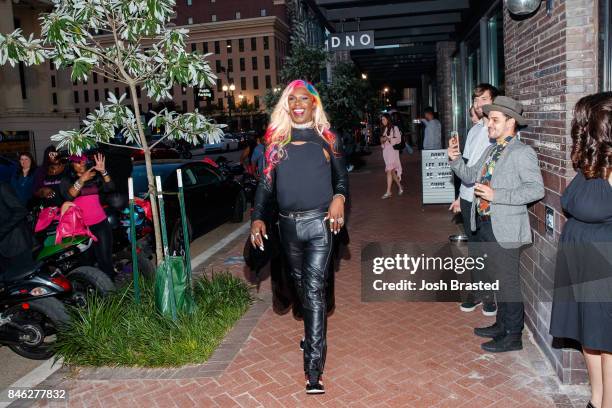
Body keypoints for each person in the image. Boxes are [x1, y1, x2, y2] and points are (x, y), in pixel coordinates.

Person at [250, 79, 348, 394]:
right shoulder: (275, 142)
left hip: (320, 226)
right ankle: (311, 330)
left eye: (304, 98)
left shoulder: (328, 139)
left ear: (314, 103)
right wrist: (257, 220)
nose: (298, 104)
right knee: (301, 288)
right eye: (292, 100)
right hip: (287, 228)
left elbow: (341, 179)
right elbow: (265, 187)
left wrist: (340, 198)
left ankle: (313, 369)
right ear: (287, 106)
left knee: (314, 292)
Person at [448, 96, 544, 352]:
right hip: (485, 223)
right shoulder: (492, 149)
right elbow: (470, 176)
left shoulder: (522, 152)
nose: (488, 123)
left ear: (510, 122)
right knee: (498, 281)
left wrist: (496, 196)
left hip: (506, 228)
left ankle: (513, 335)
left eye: (494, 120)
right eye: (489, 119)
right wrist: (455, 159)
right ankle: (501, 325)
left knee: (508, 283)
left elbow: (536, 190)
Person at [550, 93, 612, 408]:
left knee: (608, 339)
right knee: (592, 335)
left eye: (583, 122)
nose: (578, 128)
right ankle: (596, 400)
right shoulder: (591, 163)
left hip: (605, 261)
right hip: (584, 259)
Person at [448, 84, 500, 316]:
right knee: (476, 250)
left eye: (484, 99)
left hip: (486, 200)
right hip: (469, 198)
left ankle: (489, 296)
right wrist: (460, 197)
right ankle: (478, 291)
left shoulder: (498, 130)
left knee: (487, 249)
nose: (479, 104)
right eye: (477, 100)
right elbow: (466, 166)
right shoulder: (473, 131)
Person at [60, 153, 116, 280]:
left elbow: (111, 188)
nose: (82, 164)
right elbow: (68, 196)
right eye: (78, 162)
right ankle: (92, 292)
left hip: (101, 223)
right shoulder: (67, 180)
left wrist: (103, 171)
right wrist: (81, 180)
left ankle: (110, 293)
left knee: (105, 260)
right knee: (86, 262)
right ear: (72, 164)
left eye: (84, 161)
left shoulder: (94, 176)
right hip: (81, 228)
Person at [0, 182, 35, 275]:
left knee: (26, 282)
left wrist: (1, 231)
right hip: (3, 251)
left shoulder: (2, 186)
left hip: (16, 244)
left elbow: (20, 211)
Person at [380, 113, 403, 199]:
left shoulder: (395, 128)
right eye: (382, 120)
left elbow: (398, 139)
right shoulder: (384, 129)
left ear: (388, 119)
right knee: (392, 172)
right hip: (386, 153)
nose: (382, 121)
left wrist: (388, 139)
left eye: (384, 119)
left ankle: (388, 191)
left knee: (389, 170)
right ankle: (400, 187)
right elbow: (382, 143)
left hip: (393, 152)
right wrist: (382, 141)